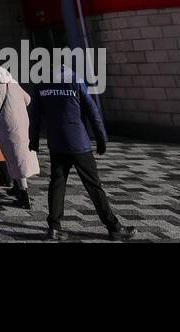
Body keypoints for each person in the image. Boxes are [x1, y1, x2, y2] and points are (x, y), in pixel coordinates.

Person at [29, 66, 136, 241]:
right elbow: (92, 111)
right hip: (79, 143)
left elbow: (35, 115)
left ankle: (54, 228)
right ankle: (113, 227)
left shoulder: (41, 84)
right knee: (94, 185)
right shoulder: (75, 81)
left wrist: (33, 140)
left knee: (57, 184)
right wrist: (102, 139)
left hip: (56, 143)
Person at [0, 58, 38, 209]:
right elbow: (28, 99)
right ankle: (17, 186)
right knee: (20, 157)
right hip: (23, 124)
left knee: (13, 158)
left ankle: (23, 195)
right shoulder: (13, 82)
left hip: (5, 127)